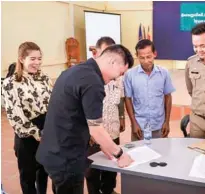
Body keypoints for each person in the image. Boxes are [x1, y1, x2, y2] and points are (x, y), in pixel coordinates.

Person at [36, 44, 134, 194]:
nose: (115, 79)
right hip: (67, 158)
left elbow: (76, 115)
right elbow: (96, 128)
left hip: (53, 151)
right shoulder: (93, 82)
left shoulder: (74, 71)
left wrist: (103, 145)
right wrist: (119, 154)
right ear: (112, 62)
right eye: (119, 74)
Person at [2, 42, 54, 194]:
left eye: (39, 58)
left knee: (44, 172)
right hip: (27, 135)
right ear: (21, 59)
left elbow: (53, 103)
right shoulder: (10, 84)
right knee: (28, 176)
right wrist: (38, 134)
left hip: (47, 129)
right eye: (32, 59)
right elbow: (15, 116)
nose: (37, 63)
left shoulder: (43, 77)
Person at [85, 36, 125, 194]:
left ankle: (109, 189)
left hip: (113, 126)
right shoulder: (88, 75)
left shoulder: (118, 73)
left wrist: (121, 117)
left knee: (112, 164)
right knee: (93, 168)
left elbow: (120, 97)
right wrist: (88, 131)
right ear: (97, 52)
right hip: (94, 132)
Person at [124, 39, 175, 141]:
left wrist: (167, 122)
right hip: (139, 126)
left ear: (154, 54)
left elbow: (168, 97)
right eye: (142, 58)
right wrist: (133, 123)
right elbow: (128, 99)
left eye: (149, 57)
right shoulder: (130, 75)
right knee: (138, 155)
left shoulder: (164, 73)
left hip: (159, 125)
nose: (146, 61)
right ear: (136, 55)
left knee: (161, 154)